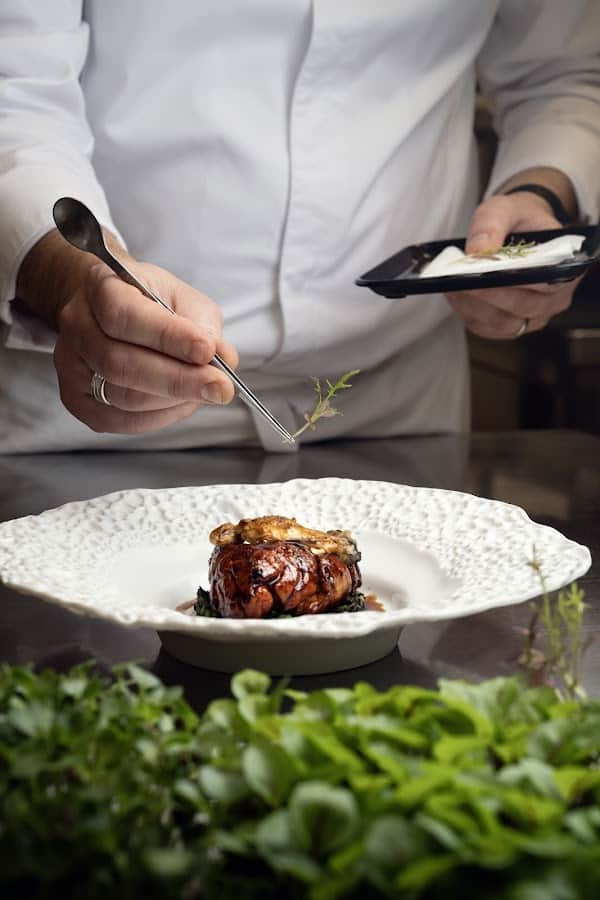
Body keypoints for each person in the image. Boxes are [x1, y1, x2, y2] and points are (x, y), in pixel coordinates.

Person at [0, 1, 599, 453]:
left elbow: (561, 72)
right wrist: (75, 280)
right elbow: (16, 93)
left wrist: (541, 190)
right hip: (95, 400)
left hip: (396, 411)